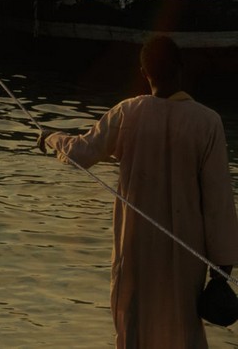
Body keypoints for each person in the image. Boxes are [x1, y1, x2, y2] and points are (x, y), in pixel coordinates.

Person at [40, 36, 238, 348]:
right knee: (183, 330)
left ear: (145, 72)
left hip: (135, 245)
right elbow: (218, 202)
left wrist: (51, 139)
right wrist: (222, 269)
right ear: (180, 69)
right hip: (186, 250)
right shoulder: (207, 122)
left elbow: (81, 153)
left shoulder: (127, 113)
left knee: (132, 326)